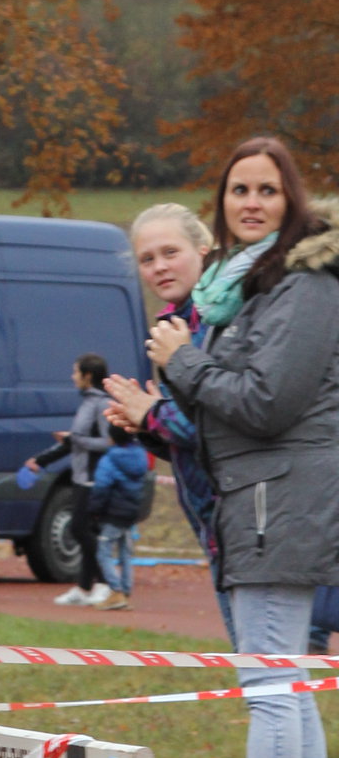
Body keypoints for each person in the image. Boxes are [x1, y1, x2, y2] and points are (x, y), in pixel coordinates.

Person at [149, 136, 339, 758]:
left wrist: (183, 362)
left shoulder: (304, 285)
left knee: (270, 686)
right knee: (287, 684)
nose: (252, 203)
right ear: (222, 203)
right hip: (263, 496)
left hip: (281, 499)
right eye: (239, 190)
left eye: (267, 190)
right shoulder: (245, 286)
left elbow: (266, 403)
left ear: (291, 199)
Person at [104, 204, 222, 621]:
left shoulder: (221, 321)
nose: (159, 267)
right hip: (213, 520)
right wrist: (146, 426)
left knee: (278, 653)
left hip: (251, 518)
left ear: (203, 251)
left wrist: (153, 413)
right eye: (147, 259)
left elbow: (218, 423)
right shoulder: (171, 325)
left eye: (171, 253)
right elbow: (190, 440)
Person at [27, 354, 113, 607]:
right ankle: (84, 588)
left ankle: (105, 583)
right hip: (79, 476)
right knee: (83, 530)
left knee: (80, 529)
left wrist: (75, 440)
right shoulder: (86, 403)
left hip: (95, 478)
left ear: (88, 375)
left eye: (76, 372)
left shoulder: (102, 404)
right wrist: (41, 460)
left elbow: (109, 443)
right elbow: (74, 440)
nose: (72, 377)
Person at [88, 435, 150, 609]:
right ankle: (126, 591)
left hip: (113, 513)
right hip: (131, 512)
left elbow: (101, 487)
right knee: (125, 553)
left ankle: (116, 591)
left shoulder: (109, 459)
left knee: (104, 552)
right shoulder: (140, 456)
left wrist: (94, 511)